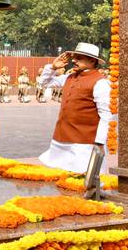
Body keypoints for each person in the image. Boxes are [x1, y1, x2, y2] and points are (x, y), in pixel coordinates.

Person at [38, 42, 114, 174]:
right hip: (62, 138)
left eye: (79, 58)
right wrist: (52, 67)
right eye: (74, 57)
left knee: (83, 177)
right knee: (61, 175)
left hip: (84, 142)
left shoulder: (100, 82)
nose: (73, 61)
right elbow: (44, 83)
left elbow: (106, 115)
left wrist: (100, 142)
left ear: (92, 61)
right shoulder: (69, 77)